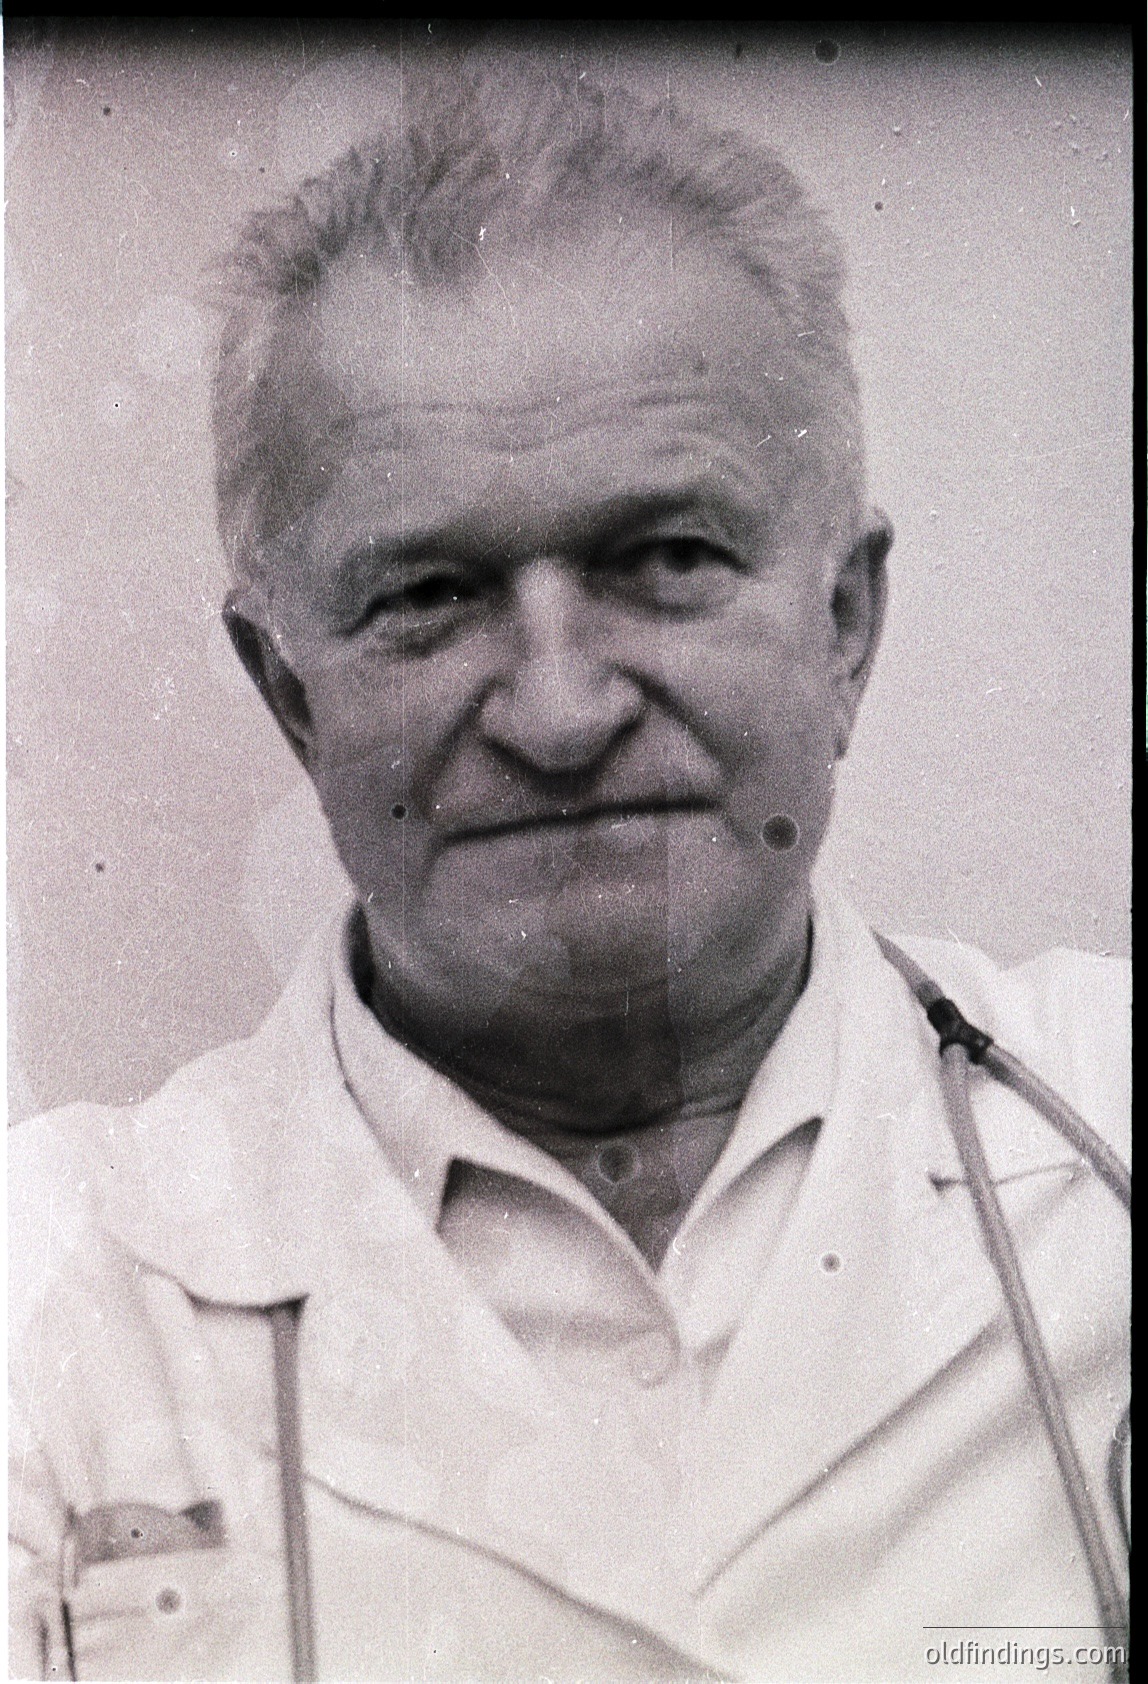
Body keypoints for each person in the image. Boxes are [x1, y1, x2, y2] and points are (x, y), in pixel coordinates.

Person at [8, 59, 1129, 1684]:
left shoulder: (1107, 1140)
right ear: (291, 694)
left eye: (665, 558)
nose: (559, 711)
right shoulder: (53, 1296)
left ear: (843, 626)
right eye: (428, 595)